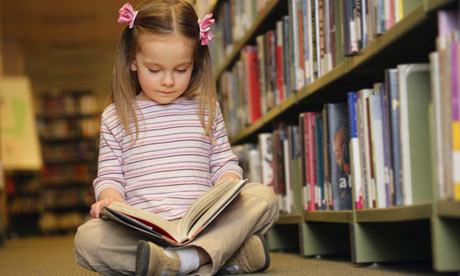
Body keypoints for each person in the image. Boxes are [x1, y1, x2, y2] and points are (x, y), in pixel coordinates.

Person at [73, 1, 279, 276]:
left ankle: (179, 262)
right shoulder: (115, 116)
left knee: (264, 198)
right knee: (87, 240)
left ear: (194, 63)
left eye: (181, 69)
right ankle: (222, 257)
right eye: (155, 70)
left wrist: (227, 181)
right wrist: (110, 199)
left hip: (205, 223)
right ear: (133, 61)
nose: (168, 81)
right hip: (146, 232)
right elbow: (110, 177)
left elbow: (223, 162)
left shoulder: (207, 108)